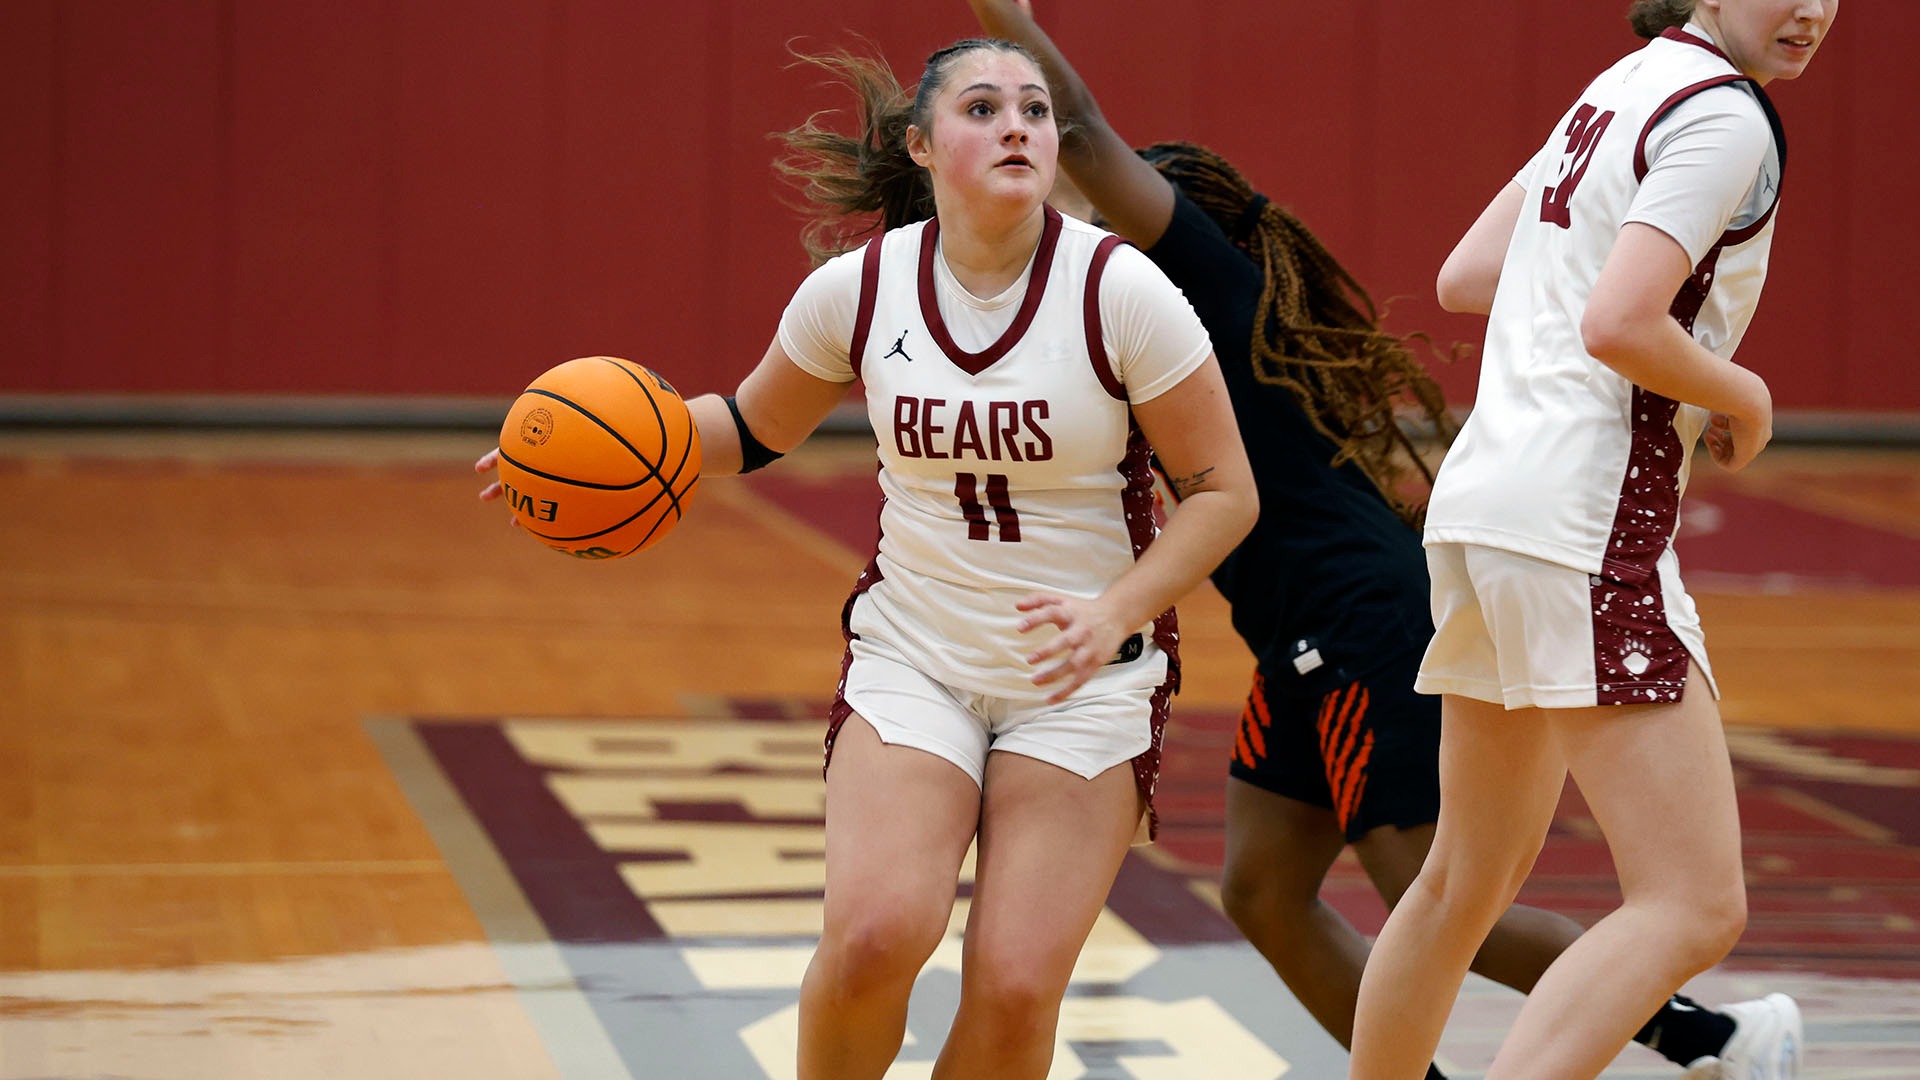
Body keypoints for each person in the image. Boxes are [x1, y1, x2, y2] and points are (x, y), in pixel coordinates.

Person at [967, 1, 1804, 1078]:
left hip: (1375, 601)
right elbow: (1507, 288)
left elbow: (1079, 129)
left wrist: (1007, 22)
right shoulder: (1132, 326)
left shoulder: (1210, 281)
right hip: (1367, 595)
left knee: (1450, 884)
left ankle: (1707, 1034)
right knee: (1318, 885)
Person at [480, 36, 1257, 1080]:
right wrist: (582, 448)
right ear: (921, 144)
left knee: (1018, 983)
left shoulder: (1122, 293)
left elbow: (1225, 494)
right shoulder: (860, 289)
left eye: (1033, 108)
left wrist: (1117, 610)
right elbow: (751, 430)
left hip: (1081, 680)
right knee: (874, 939)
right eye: (982, 108)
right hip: (917, 657)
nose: (1016, 125)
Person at [1344, 0, 1838, 1077]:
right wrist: (1744, 395)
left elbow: (1469, 274)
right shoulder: (1725, 116)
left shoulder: (1621, 86)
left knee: (1460, 880)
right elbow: (1619, 322)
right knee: (1694, 904)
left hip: (1485, 503)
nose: (1811, 9)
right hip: (1581, 518)